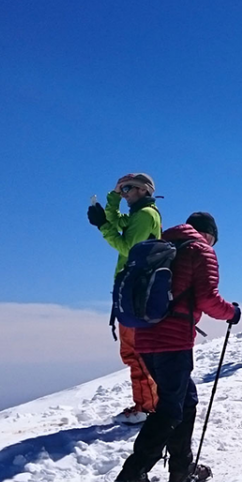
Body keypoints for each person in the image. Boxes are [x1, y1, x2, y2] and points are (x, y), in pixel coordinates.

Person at [114, 212, 242, 482]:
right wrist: (232, 313)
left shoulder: (162, 246)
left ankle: (181, 469)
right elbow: (208, 298)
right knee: (171, 408)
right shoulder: (200, 250)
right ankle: (134, 472)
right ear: (209, 235)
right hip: (173, 341)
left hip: (145, 338)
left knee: (185, 400)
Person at [87, 173, 162, 424]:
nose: (125, 193)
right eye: (123, 189)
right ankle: (147, 403)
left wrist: (103, 226)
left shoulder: (145, 215)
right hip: (133, 291)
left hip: (135, 293)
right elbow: (117, 221)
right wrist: (112, 199)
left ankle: (146, 407)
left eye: (128, 188)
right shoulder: (140, 214)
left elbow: (127, 248)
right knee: (134, 351)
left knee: (134, 352)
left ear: (143, 190)